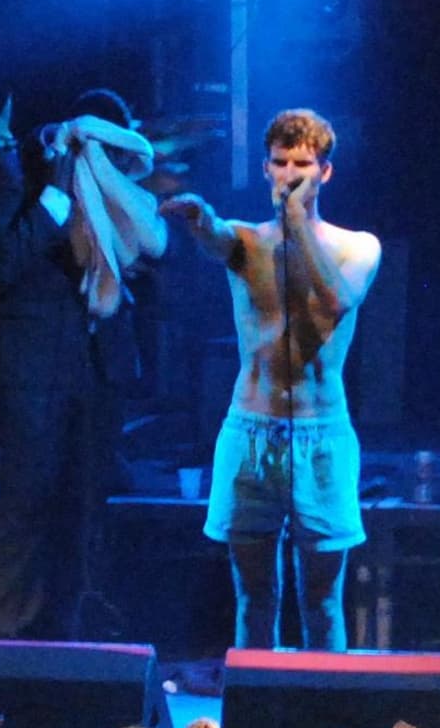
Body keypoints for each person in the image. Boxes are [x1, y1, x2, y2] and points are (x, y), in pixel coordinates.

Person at [163, 107, 382, 653]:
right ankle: (255, 719)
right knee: (255, 595)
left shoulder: (358, 246)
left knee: (322, 599)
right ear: (266, 168)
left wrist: (297, 225)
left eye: (303, 165)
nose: (290, 175)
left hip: (322, 435)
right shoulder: (247, 241)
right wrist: (198, 216)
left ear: (325, 172)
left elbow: (335, 299)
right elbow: (217, 237)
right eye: (281, 164)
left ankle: (324, 718)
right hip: (251, 431)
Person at [0, 88, 166, 639]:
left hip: (96, 372)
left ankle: (68, 643)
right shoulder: (13, 173)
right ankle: (11, 643)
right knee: (26, 505)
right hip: (34, 373)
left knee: (82, 514)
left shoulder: (114, 188)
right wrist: (54, 197)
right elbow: (0, 265)